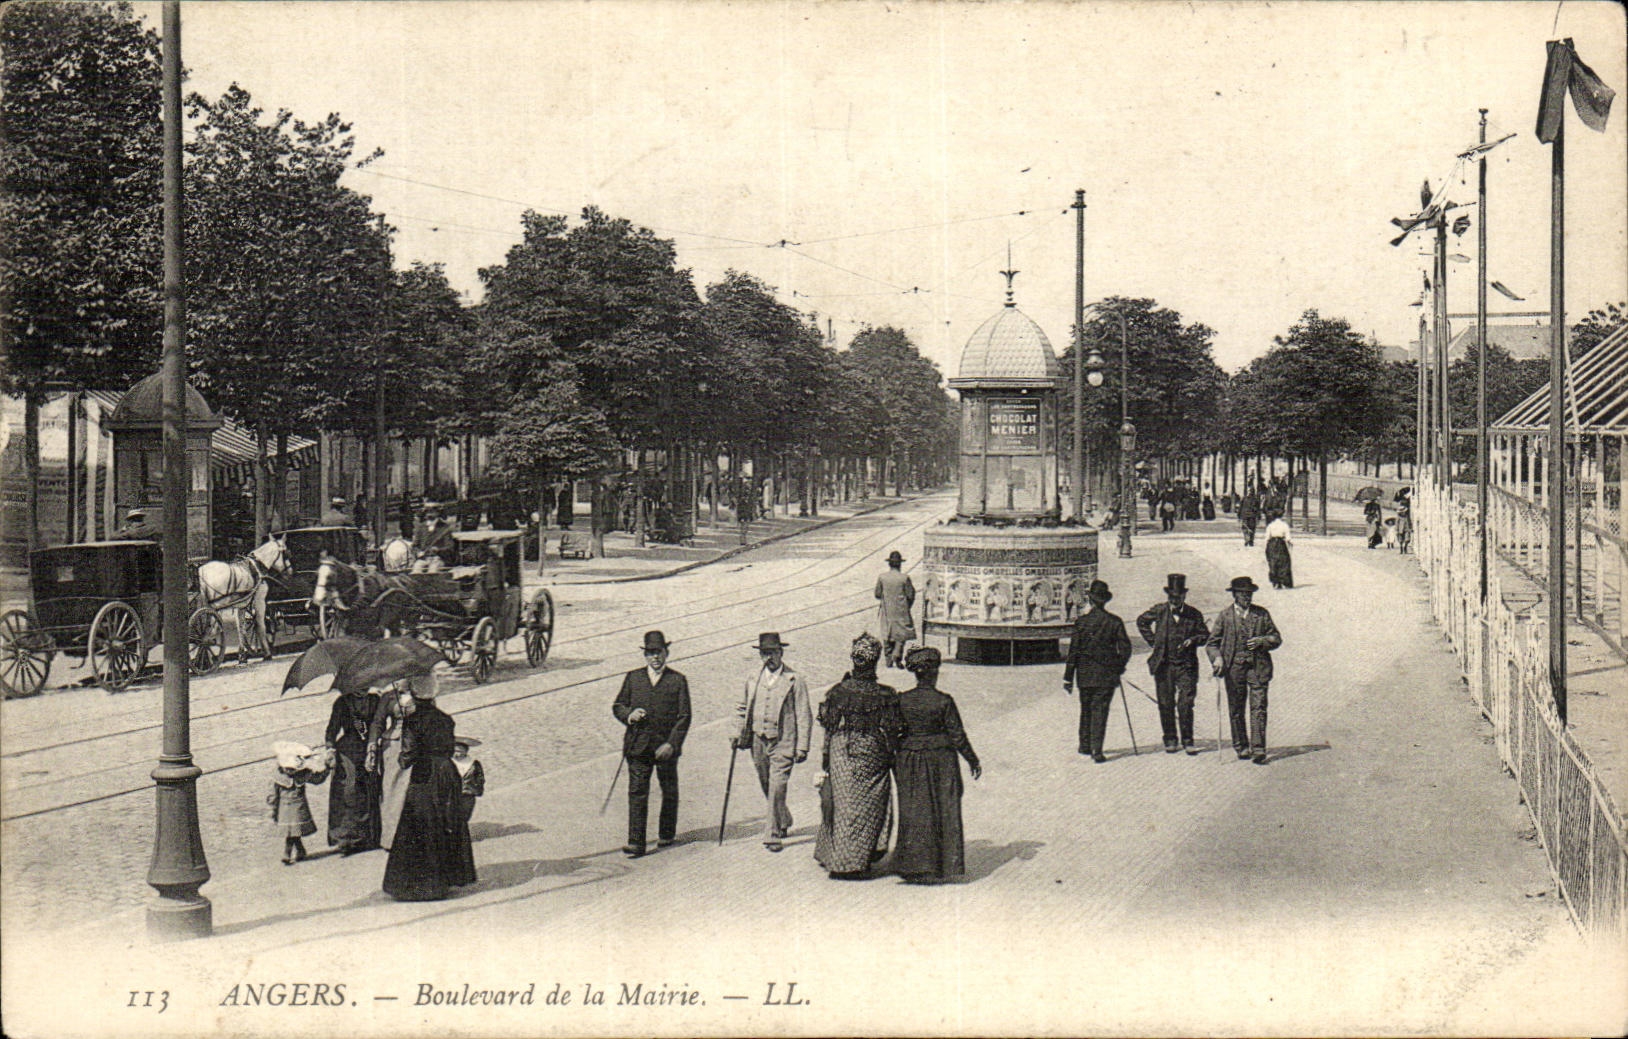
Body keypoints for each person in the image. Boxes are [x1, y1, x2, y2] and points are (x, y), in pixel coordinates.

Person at [814, 633, 904, 878]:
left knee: (842, 804)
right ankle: (857, 859)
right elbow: (893, 731)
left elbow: (829, 729)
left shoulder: (838, 691)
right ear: (874, 661)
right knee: (869, 804)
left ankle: (834, 855)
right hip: (872, 752)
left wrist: (825, 760)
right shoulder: (885, 695)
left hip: (841, 751)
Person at [382, 672, 477, 900]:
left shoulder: (413, 721)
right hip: (446, 773)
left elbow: (407, 757)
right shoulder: (446, 718)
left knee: (420, 823)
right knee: (445, 821)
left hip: (425, 775)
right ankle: (448, 878)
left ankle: (421, 884)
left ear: (414, 695)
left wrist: (403, 758)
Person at [893, 646, 981, 883]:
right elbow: (957, 735)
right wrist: (972, 759)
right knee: (943, 808)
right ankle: (939, 865)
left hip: (910, 759)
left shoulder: (903, 699)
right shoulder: (943, 701)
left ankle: (913, 864)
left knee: (914, 809)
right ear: (934, 672)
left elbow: (894, 732)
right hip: (941, 760)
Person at [613, 631, 692, 857]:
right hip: (637, 746)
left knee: (668, 790)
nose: (655, 657)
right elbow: (618, 705)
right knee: (637, 792)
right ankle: (636, 842)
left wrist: (672, 745)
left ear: (666, 653)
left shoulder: (677, 680)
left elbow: (684, 716)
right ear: (645, 656)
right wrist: (629, 715)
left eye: (659, 652)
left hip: (665, 748)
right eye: (650, 653)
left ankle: (666, 834)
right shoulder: (633, 677)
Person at [732, 633, 811, 853]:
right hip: (758, 739)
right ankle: (783, 818)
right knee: (767, 783)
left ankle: (772, 835)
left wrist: (802, 746)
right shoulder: (752, 677)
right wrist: (736, 732)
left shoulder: (795, 679)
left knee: (778, 786)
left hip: (783, 740)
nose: (769, 657)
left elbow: (804, 714)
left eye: (773, 652)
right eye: (765, 653)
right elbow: (741, 707)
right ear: (760, 654)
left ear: (781, 652)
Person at [1206, 576, 1283, 765]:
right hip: (1234, 669)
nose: (1247, 597)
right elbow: (1212, 643)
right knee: (1236, 709)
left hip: (1258, 668)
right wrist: (1217, 658)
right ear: (1234, 595)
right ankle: (1241, 746)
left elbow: (1276, 638)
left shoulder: (1261, 614)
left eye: (1249, 594)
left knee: (1259, 708)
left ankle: (1258, 749)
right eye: (1243, 594)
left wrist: (1262, 641)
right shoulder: (1225, 616)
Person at [1136, 573, 1211, 755]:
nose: (1174, 600)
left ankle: (1188, 740)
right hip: (1164, 664)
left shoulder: (1194, 614)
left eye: (1178, 597)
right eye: (1171, 597)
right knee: (1165, 703)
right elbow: (1141, 621)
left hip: (1186, 666)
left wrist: (1192, 640)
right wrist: (1153, 641)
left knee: (1185, 703)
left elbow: (1205, 635)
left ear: (1184, 596)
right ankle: (1170, 739)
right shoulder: (1160, 610)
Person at [1062, 579, 1133, 763]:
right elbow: (1126, 649)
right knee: (1100, 710)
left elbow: (1073, 652)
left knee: (1085, 708)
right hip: (1106, 676)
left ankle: (1084, 745)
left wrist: (1068, 678)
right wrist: (1118, 667)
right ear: (1105, 601)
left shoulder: (1081, 622)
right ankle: (1097, 750)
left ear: (1091, 601)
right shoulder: (1114, 622)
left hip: (1084, 675)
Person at [324, 687, 381, 855]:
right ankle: (346, 838)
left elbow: (382, 723)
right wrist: (330, 750)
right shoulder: (342, 703)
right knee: (349, 790)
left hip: (370, 748)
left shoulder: (375, 700)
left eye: (366, 683)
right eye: (358, 684)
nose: (362, 688)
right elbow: (331, 730)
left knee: (371, 788)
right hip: (348, 751)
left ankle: (371, 836)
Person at [368, 687, 416, 852]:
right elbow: (377, 722)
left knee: (413, 791)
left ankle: (415, 837)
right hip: (394, 746)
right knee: (391, 790)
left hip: (416, 745)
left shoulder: (422, 693)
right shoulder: (388, 697)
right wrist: (372, 745)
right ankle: (391, 838)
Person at [268, 741, 329, 865]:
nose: (290, 771)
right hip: (284, 809)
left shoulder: (302, 774)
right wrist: (273, 808)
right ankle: (300, 850)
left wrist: (327, 769)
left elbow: (317, 779)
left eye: (292, 769)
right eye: (287, 769)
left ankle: (287, 853)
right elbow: (274, 794)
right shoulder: (278, 777)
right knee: (293, 831)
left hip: (298, 807)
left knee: (292, 832)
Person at [874, 550, 917, 668]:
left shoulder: (882, 577)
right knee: (901, 634)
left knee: (887, 633)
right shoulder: (904, 578)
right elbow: (911, 595)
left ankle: (889, 658)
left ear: (889, 564)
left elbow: (877, 594)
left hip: (887, 610)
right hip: (901, 610)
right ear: (900, 564)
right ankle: (897, 656)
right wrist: (907, 606)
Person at [452, 737, 484, 827]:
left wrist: (476, 788)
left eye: (459, 751)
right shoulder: (449, 763)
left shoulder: (473, 763)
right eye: (454, 751)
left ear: (465, 752)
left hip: (468, 794)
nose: (457, 754)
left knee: (464, 815)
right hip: (451, 793)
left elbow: (479, 777)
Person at [1264, 510, 1294, 589]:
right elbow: (1288, 537)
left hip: (1272, 544)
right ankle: (1284, 581)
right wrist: (1290, 543)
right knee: (1284, 562)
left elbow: (1267, 537)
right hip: (1281, 544)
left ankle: (1275, 582)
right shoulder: (1284, 525)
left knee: (1273, 562)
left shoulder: (1270, 525)